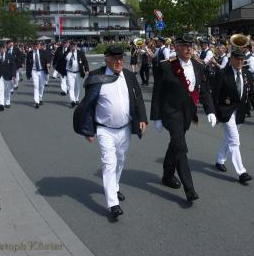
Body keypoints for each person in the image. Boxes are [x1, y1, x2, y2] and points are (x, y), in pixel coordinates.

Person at [73, 45, 147, 220]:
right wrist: (87, 129)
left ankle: (114, 187)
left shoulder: (128, 75)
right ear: (107, 59)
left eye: (121, 58)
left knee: (120, 160)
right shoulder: (96, 77)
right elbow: (88, 105)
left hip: (125, 128)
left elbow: (138, 99)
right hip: (105, 129)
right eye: (114, 59)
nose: (119, 61)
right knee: (109, 163)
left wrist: (142, 118)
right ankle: (113, 203)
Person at [150, 35, 216, 202]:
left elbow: (204, 90)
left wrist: (210, 111)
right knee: (180, 145)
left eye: (190, 46)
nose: (188, 49)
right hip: (171, 113)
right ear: (177, 48)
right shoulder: (166, 67)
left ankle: (167, 175)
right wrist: (156, 117)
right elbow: (157, 93)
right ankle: (190, 189)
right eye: (184, 46)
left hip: (188, 113)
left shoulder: (198, 66)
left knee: (175, 144)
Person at [212, 48, 254, 184]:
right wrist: (214, 113)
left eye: (242, 59)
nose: (240, 61)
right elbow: (215, 95)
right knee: (234, 141)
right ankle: (242, 172)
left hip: (240, 112)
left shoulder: (247, 74)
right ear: (231, 59)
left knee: (228, 138)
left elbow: (252, 92)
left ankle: (219, 160)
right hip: (226, 111)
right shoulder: (223, 73)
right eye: (237, 59)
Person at [57, 41, 89, 108]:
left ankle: (76, 99)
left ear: (76, 46)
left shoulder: (80, 53)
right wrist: (61, 71)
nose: (73, 46)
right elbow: (61, 62)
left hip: (77, 72)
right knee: (71, 87)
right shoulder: (67, 53)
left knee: (77, 86)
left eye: (74, 45)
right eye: (72, 45)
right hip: (69, 73)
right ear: (70, 46)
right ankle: (72, 100)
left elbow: (85, 61)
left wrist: (86, 69)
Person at [26, 41, 50, 108]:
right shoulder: (30, 54)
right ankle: (36, 102)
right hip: (34, 71)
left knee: (41, 85)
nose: (36, 47)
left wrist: (48, 63)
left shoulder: (43, 52)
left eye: (37, 45)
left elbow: (47, 59)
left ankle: (40, 98)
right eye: (34, 45)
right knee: (36, 86)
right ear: (33, 46)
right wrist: (28, 74)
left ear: (39, 46)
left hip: (42, 71)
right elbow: (28, 64)